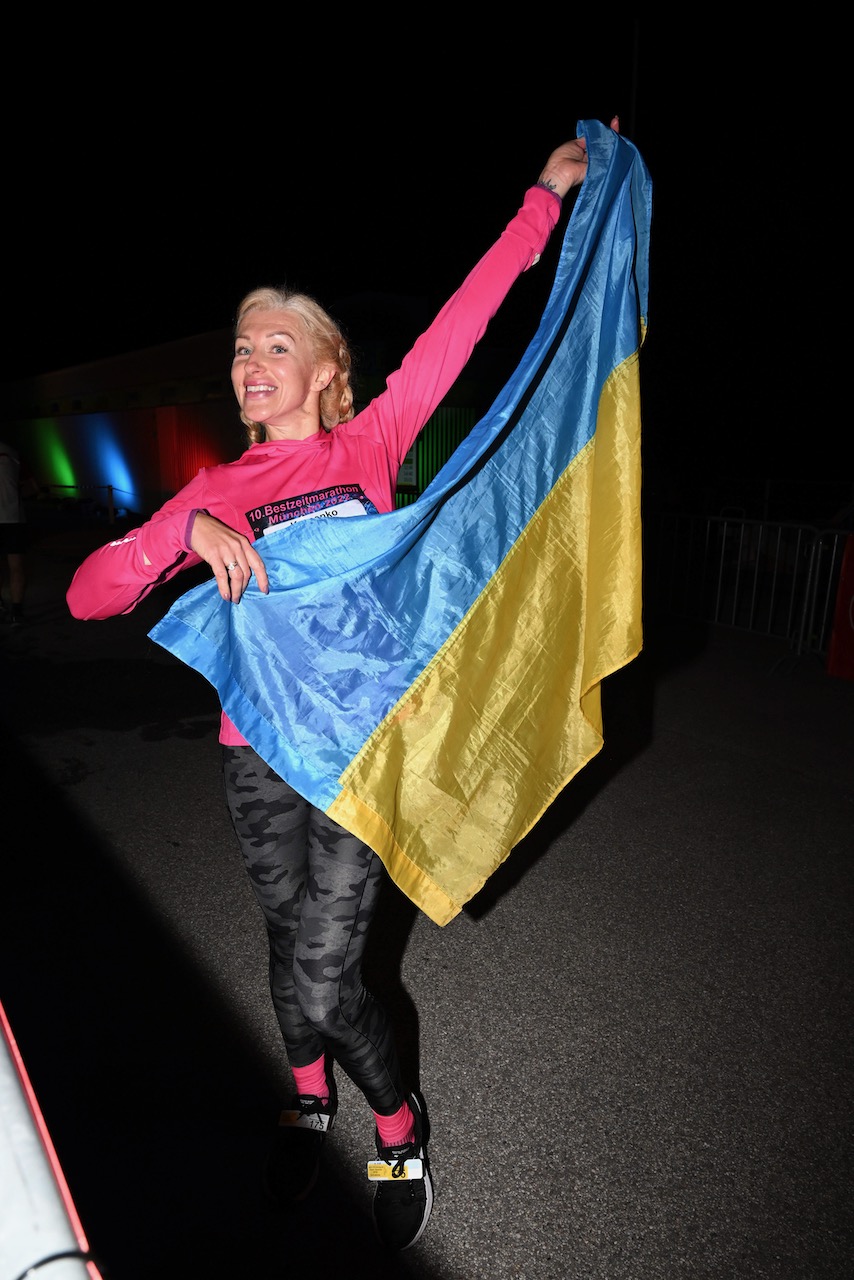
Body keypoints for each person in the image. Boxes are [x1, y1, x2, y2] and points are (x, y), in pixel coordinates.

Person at [66, 120, 618, 1252]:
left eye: (272, 345)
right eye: (236, 347)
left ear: (326, 370)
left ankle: (398, 1122)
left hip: (359, 750)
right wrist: (186, 521)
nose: (246, 361)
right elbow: (87, 595)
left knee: (322, 973)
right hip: (252, 751)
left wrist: (542, 201)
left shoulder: (367, 444)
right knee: (284, 942)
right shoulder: (212, 484)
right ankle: (305, 1096)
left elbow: (462, 326)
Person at [0, 440, 37, 625]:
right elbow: (32, 488)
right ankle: (17, 612)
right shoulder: (13, 453)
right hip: (12, 517)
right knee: (16, 566)